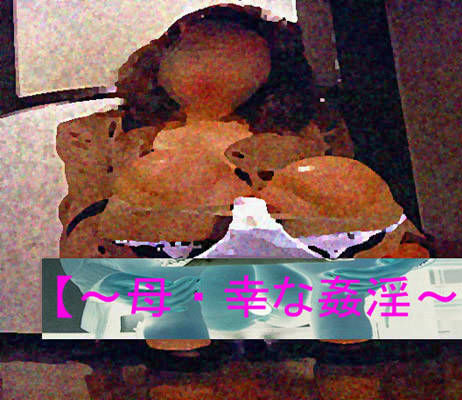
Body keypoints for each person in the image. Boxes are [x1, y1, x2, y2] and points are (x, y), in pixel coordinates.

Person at [56, 3, 429, 357]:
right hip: (173, 273)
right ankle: (177, 323)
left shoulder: (307, 134)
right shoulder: (101, 135)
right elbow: (85, 231)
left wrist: (396, 241)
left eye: (236, 56)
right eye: (200, 53)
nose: (214, 70)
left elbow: (358, 203)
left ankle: (339, 311)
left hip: (287, 275)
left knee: (328, 182)